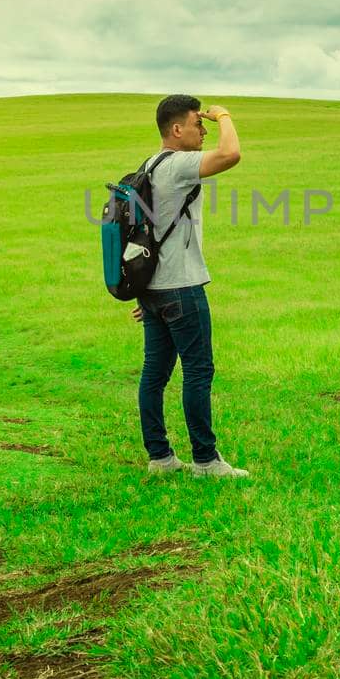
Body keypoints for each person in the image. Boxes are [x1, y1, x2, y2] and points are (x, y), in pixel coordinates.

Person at [130, 94, 249, 478]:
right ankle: (205, 460)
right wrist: (224, 114)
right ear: (176, 129)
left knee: (154, 373)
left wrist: (147, 297)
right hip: (182, 286)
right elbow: (230, 155)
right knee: (198, 371)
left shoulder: (148, 165)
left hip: (153, 290)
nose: (204, 129)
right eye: (198, 123)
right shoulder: (178, 165)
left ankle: (160, 458)